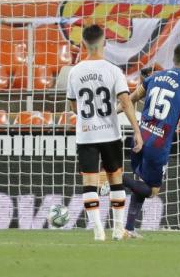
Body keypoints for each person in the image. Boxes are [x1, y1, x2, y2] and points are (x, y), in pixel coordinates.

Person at [120, 43, 180, 238]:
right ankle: (114, 178)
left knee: (141, 182)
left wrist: (114, 112)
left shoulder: (155, 76)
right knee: (151, 191)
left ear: (174, 59)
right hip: (158, 144)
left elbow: (132, 98)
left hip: (139, 137)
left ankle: (128, 227)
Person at [66, 24, 143, 241]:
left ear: (83, 44)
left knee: (90, 183)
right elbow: (126, 102)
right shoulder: (113, 70)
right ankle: (118, 229)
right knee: (115, 180)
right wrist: (136, 131)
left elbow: (74, 107)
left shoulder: (75, 72)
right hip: (110, 134)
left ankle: (97, 230)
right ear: (105, 43)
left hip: (87, 135)